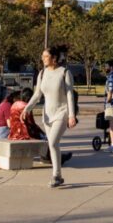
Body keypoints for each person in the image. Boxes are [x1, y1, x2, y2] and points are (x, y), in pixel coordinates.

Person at [23, 46, 78, 187]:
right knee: (53, 145)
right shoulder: (42, 73)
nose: (43, 59)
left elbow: (70, 95)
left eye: (46, 56)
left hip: (62, 113)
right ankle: (58, 175)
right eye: (42, 56)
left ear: (54, 58)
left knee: (53, 142)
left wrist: (71, 115)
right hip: (47, 115)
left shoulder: (64, 72)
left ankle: (55, 175)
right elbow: (37, 94)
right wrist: (27, 108)